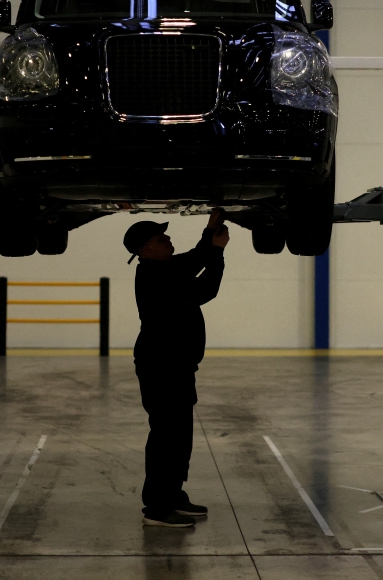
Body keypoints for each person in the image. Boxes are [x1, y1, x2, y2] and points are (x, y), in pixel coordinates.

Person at [123, 209, 230, 527]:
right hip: (162, 367)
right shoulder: (156, 276)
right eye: (161, 238)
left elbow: (195, 257)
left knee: (179, 436)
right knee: (166, 436)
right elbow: (204, 289)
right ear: (146, 249)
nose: (168, 239)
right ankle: (157, 508)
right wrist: (219, 254)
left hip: (177, 366)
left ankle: (171, 494)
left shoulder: (164, 266)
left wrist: (209, 231)